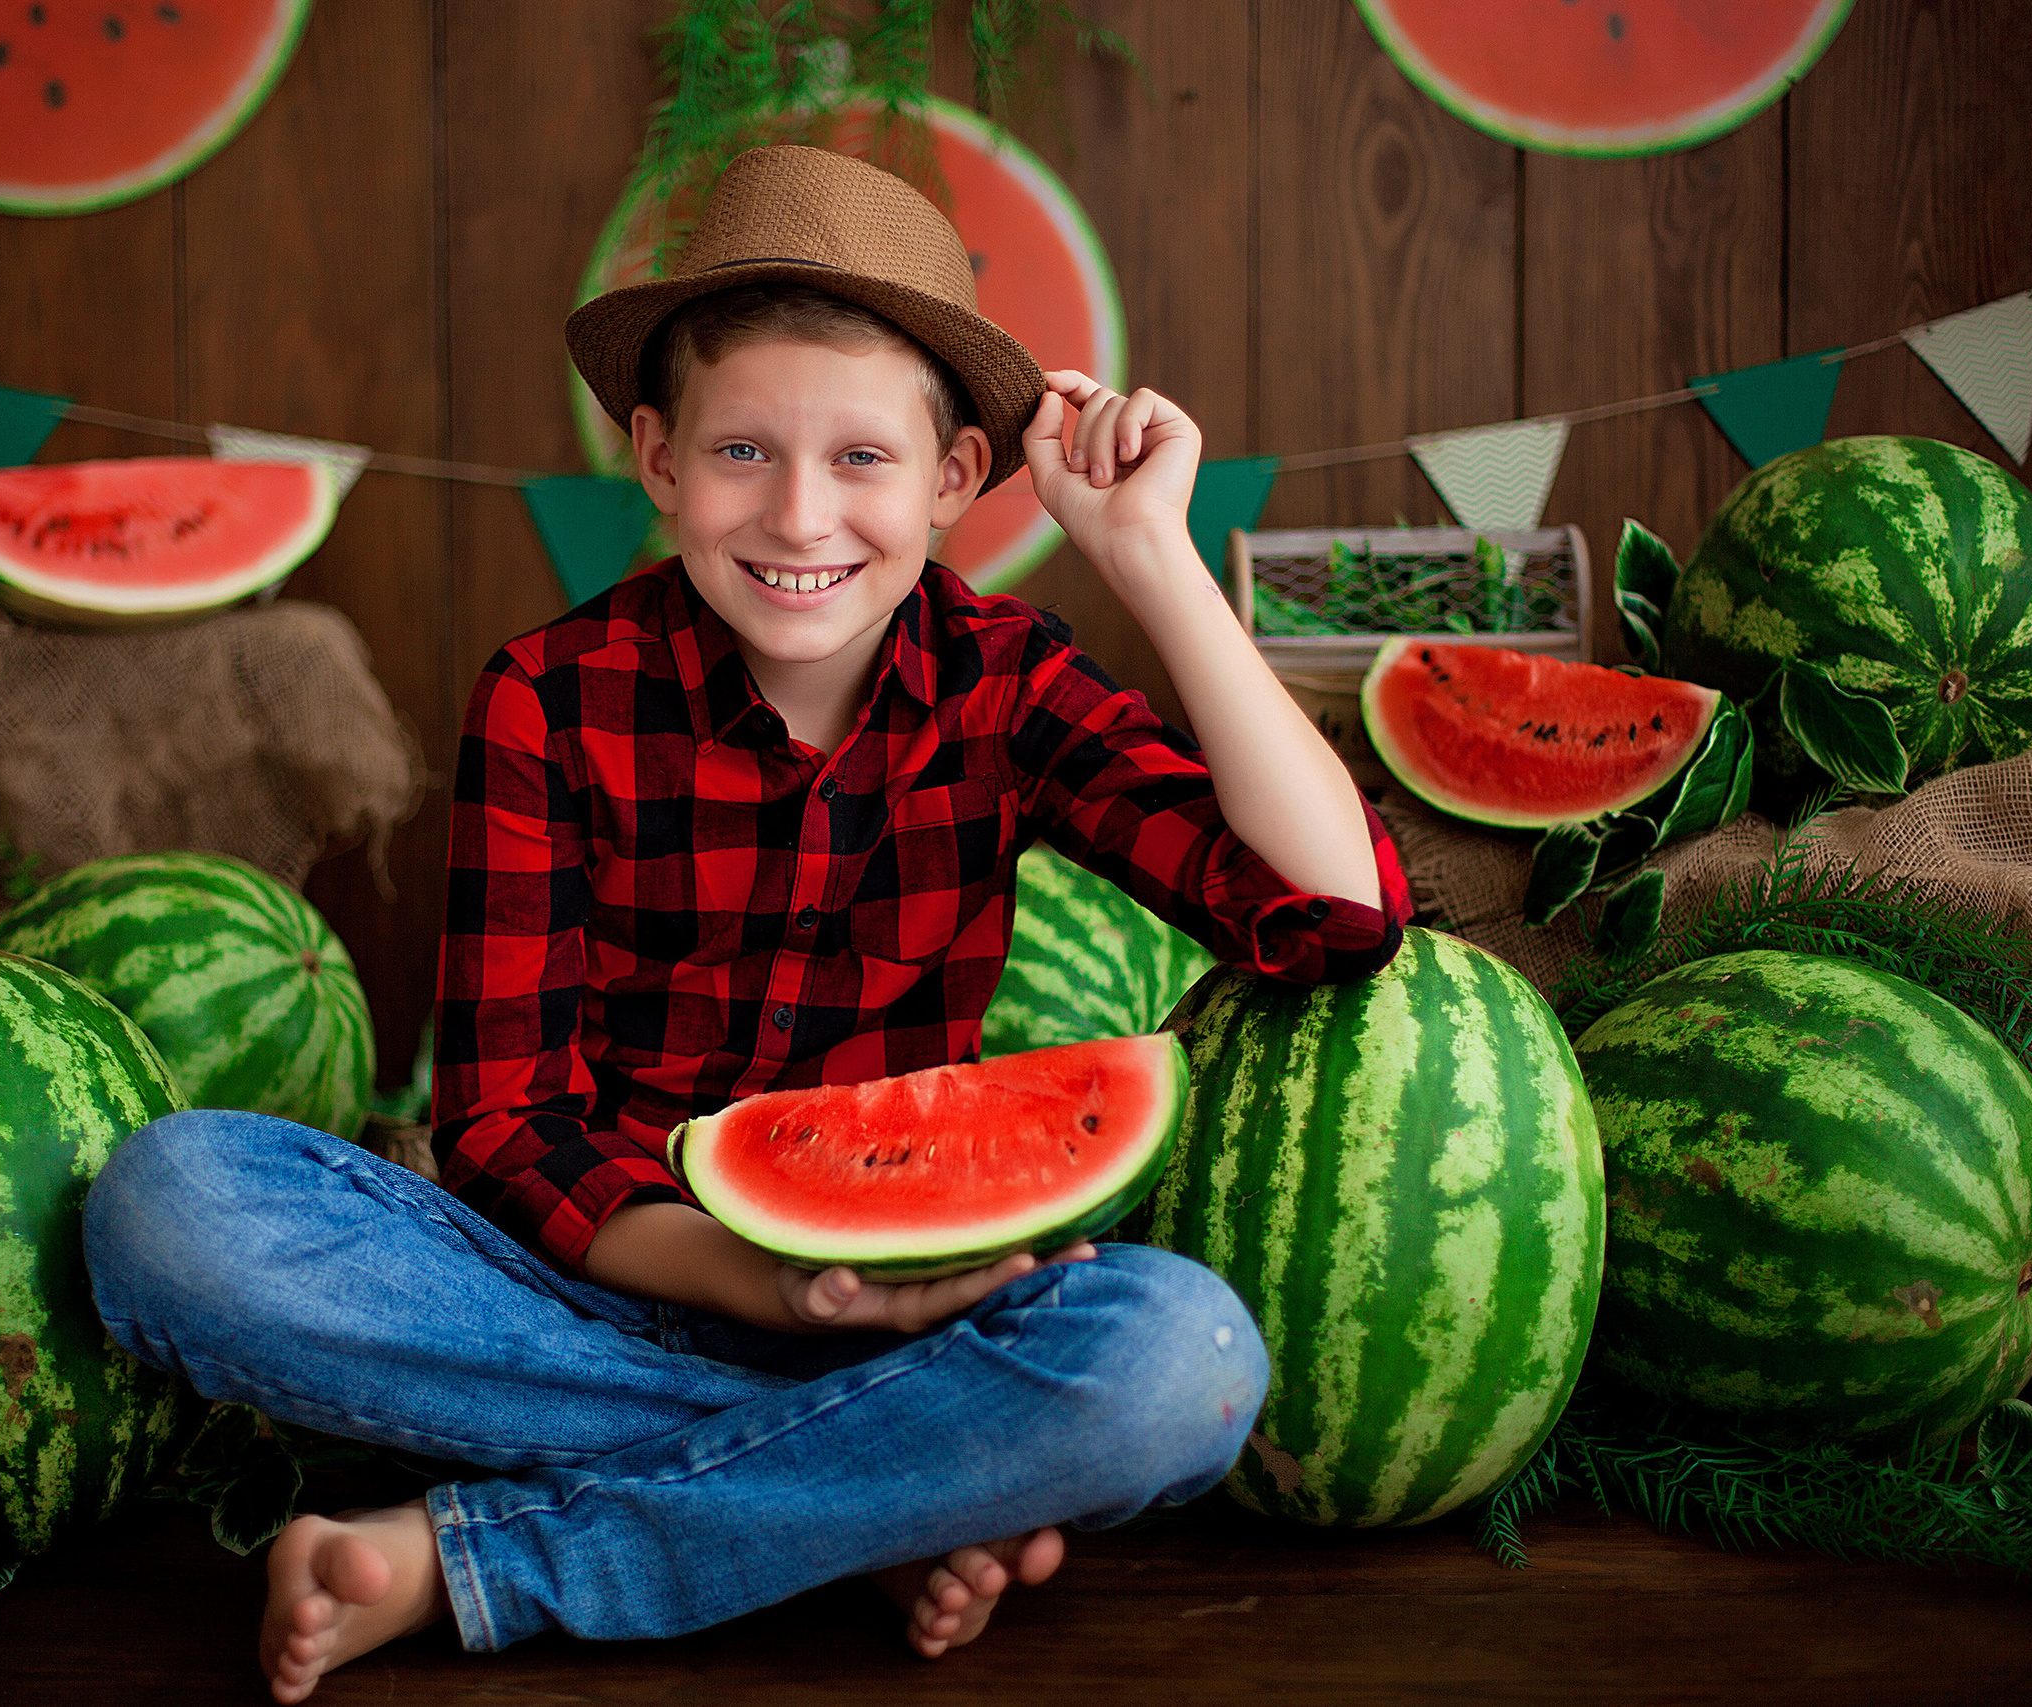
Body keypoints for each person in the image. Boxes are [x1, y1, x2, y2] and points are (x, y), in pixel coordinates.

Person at [82, 144, 1409, 1704]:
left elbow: (1336, 919)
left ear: (954, 480)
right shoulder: (549, 696)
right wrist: (763, 1286)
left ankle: (498, 1558)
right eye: (741, 452)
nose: (799, 515)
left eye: (862, 458)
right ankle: (869, 1503)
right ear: (658, 460)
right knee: (170, 1207)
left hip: (909, 1319)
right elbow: (506, 1126)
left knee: (1184, 1357)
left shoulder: (1007, 682)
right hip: (583, 1286)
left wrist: (1153, 560)